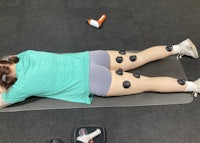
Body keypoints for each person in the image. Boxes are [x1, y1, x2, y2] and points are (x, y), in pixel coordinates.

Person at [0, 39, 200, 108]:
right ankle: (180, 47)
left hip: (95, 81)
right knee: (137, 57)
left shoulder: (21, 88)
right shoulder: (25, 55)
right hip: (93, 57)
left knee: (147, 83)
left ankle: (194, 86)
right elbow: (8, 59)